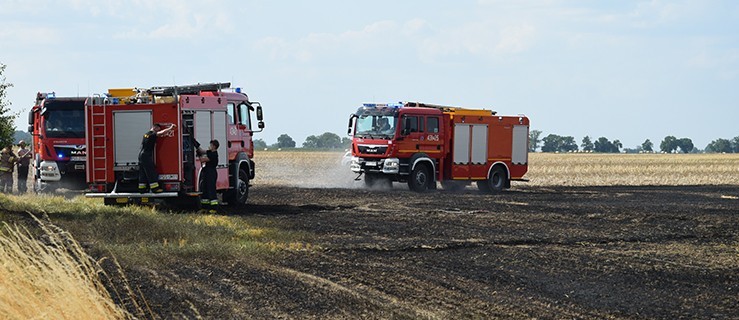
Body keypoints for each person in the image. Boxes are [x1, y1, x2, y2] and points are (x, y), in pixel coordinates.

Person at [138, 123, 176, 193]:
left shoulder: (146, 134)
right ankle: (155, 188)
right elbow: (161, 133)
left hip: (141, 155)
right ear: (155, 127)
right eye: (158, 129)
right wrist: (170, 128)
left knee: (143, 172)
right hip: (146, 155)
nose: (159, 130)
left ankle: (142, 189)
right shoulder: (152, 134)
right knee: (151, 171)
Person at [198, 140, 219, 212]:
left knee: (211, 190)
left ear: (214, 146)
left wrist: (199, 155)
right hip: (207, 172)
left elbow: (202, 160)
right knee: (205, 189)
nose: (209, 146)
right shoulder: (210, 152)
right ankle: (205, 207)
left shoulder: (214, 154)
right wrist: (197, 146)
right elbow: (203, 151)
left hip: (211, 173)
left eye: (210, 145)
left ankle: (213, 208)